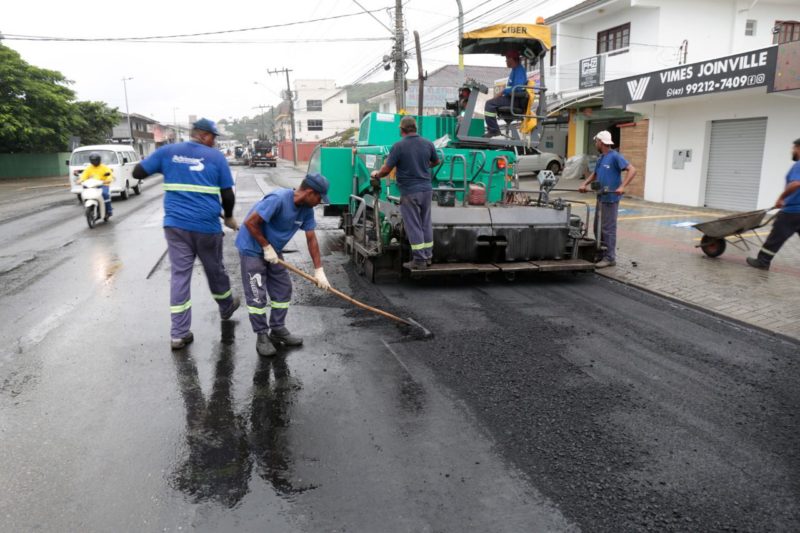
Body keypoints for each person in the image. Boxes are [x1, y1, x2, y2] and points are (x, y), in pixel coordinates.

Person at [132, 118, 240, 350]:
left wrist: (164, 164)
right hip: (206, 227)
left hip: (176, 226)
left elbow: (138, 172)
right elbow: (227, 195)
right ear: (203, 135)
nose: (214, 141)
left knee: (180, 276)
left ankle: (178, 334)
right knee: (215, 270)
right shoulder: (216, 158)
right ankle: (226, 306)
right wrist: (229, 216)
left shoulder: (168, 151)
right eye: (213, 136)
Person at [235, 173, 331, 357]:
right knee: (257, 294)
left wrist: (319, 270)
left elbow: (311, 239)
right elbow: (250, 223)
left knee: (283, 288)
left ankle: (277, 329)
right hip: (252, 247)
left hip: (273, 250)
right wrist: (266, 247)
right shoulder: (278, 199)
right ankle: (262, 336)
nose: (320, 202)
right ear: (310, 192)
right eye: (319, 197)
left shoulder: (306, 210)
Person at [370, 116, 441, 270]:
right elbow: (436, 161)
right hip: (427, 190)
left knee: (414, 225)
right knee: (425, 223)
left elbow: (387, 169)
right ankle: (428, 256)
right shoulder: (428, 143)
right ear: (415, 128)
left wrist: (376, 174)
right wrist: (423, 166)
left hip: (410, 192)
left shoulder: (399, 146)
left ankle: (419, 261)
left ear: (401, 130)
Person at [578, 130, 637, 268]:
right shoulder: (601, 158)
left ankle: (610, 257)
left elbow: (632, 170)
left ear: (602, 142)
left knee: (608, 229)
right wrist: (584, 184)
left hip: (611, 198)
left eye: (597, 141)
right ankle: (601, 253)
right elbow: (595, 173)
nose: (596, 143)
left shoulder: (615, 156)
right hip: (601, 197)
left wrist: (622, 186)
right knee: (597, 227)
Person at [746, 138, 800, 270]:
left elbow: (796, 183)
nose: (792, 150)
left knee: (776, 237)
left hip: (792, 211)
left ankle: (762, 261)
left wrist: (781, 198)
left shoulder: (798, 165)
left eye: (793, 148)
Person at [483, 50, 528, 138]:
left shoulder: (519, 70)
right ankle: (493, 129)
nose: (506, 61)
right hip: (511, 98)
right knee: (491, 103)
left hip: (515, 101)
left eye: (507, 59)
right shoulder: (515, 70)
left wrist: (502, 92)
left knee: (489, 104)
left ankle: (494, 130)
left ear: (512, 59)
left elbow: (518, 88)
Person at [78, 152, 113, 219]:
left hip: (103, 185)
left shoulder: (104, 167)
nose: (95, 162)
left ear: (99, 160)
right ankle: (87, 208)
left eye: (96, 160)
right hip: (92, 185)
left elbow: (109, 175)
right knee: (84, 194)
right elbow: (84, 176)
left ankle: (108, 211)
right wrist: (80, 180)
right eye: (93, 160)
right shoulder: (89, 168)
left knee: (105, 194)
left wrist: (107, 180)